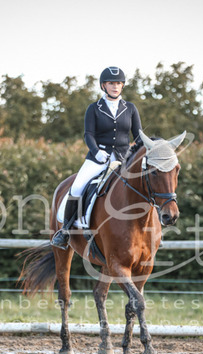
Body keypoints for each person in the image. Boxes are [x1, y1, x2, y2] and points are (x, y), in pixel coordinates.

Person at [51, 66, 142, 249]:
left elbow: (138, 136)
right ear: (103, 86)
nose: (115, 87)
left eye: (118, 83)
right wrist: (96, 151)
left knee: (146, 184)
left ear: (122, 86)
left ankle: (153, 232)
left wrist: (138, 154)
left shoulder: (130, 108)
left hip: (124, 158)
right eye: (111, 83)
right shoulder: (94, 108)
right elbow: (88, 135)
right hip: (98, 158)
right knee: (77, 186)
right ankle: (65, 230)